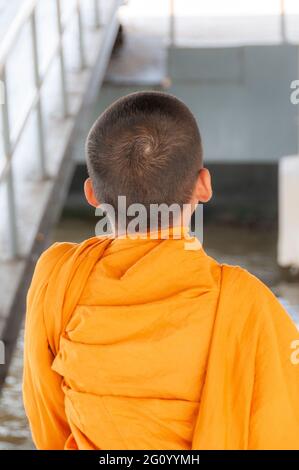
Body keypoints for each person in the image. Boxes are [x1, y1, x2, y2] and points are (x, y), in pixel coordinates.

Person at [23, 91, 299, 450]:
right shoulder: (246, 303)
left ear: (92, 194)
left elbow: (46, 415)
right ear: (204, 185)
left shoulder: (60, 276)